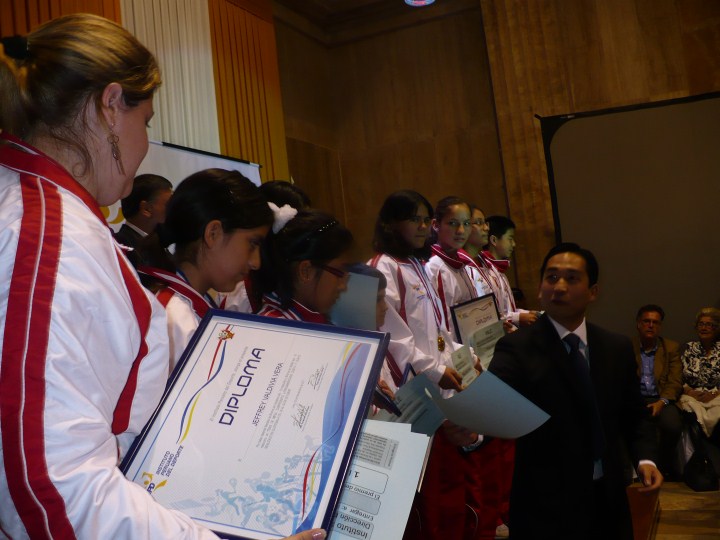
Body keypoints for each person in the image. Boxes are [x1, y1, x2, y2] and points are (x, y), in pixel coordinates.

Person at [0, 14, 325, 540]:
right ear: (110, 106)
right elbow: (47, 491)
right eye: (146, 121)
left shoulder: (44, 215)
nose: (145, 143)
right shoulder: (46, 236)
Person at [488, 243, 662, 540]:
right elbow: (493, 402)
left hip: (607, 496)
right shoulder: (516, 348)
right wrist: (470, 427)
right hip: (544, 504)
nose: (559, 286)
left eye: (571, 278)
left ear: (593, 292)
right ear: (540, 288)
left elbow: (634, 414)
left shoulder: (615, 347)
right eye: (551, 277)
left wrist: (646, 459)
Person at [369, 190, 479, 540]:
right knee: (425, 504)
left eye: (424, 219)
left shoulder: (417, 265)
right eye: (413, 219)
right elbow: (392, 337)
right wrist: (433, 370)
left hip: (437, 388)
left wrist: (463, 357)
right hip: (412, 393)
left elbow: (437, 331)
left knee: (448, 495)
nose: (421, 226)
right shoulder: (383, 266)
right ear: (391, 224)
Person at [136, 168, 273, 372]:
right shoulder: (173, 319)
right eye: (252, 244)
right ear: (213, 233)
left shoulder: (191, 306)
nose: (256, 262)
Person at [257, 209, 353, 322]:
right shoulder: (275, 328)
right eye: (339, 273)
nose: (343, 286)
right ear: (306, 271)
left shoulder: (307, 319)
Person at [425, 196, 493, 335]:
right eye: (452, 223)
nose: (461, 230)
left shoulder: (462, 264)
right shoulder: (433, 267)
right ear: (436, 225)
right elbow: (442, 328)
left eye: (466, 223)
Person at [633, 304, 683, 477]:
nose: (651, 325)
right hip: (636, 399)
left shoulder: (670, 348)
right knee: (631, 424)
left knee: (672, 425)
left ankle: (662, 467)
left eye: (655, 322)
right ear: (638, 324)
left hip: (662, 398)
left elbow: (675, 381)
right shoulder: (627, 346)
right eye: (646, 321)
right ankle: (635, 470)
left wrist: (662, 402)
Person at [482, 215, 538, 328]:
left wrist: (528, 313)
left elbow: (507, 310)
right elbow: (487, 316)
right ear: (494, 240)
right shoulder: (483, 271)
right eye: (510, 239)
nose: (514, 244)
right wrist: (518, 317)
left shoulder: (499, 270)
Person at [678, 307, 720, 446]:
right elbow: (677, 376)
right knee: (691, 414)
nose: (704, 328)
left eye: (709, 324)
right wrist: (689, 391)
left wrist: (714, 393)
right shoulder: (687, 348)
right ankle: (699, 452)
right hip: (691, 395)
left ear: (716, 328)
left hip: (717, 396)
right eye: (701, 324)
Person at [114, 173, 173, 266]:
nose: (174, 210)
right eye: (169, 204)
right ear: (146, 209)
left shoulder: (158, 245)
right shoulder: (123, 250)